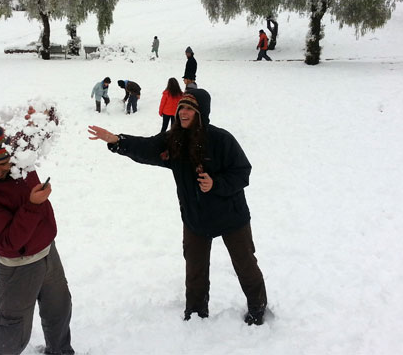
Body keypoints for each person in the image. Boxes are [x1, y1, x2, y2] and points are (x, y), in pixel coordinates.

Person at [87, 89, 268, 326]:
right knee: (195, 268)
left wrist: (216, 184)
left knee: (244, 263)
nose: (183, 112)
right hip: (196, 217)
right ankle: (195, 312)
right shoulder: (173, 141)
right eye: (181, 107)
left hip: (231, 216)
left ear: (200, 112)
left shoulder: (222, 139)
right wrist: (118, 141)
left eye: (189, 108)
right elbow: (147, 147)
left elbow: (243, 172)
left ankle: (258, 306)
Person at [0, 122, 74, 355]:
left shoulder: (19, 156)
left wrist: (42, 116)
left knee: (59, 310)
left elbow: (44, 126)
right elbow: (8, 242)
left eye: (2, 163)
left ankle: (61, 352)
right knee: (13, 333)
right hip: (18, 268)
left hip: (48, 252)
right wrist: (33, 206)